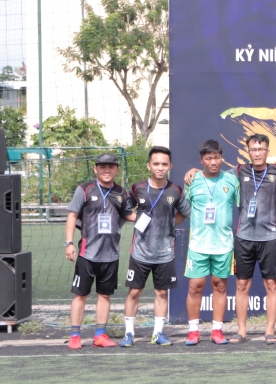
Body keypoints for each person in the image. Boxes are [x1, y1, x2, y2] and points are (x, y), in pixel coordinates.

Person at [187, 134, 276, 343]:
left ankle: (270, 330)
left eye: (261, 149)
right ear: (248, 151)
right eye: (253, 149)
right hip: (244, 238)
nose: (257, 153)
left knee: (272, 285)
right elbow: (213, 173)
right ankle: (241, 331)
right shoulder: (238, 171)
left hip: (269, 237)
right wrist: (195, 170)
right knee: (241, 285)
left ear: (267, 151)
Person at [64, 153, 136, 350]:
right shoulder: (85, 189)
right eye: (102, 166)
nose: (107, 170)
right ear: (95, 169)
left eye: (111, 167)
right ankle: (75, 335)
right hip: (87, 253)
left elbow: (129, 215)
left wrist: (152, 216)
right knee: (81, 295)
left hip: (111, 254)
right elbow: (72, 215)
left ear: (117, 170)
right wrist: (69, 243)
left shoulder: (121, 192)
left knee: (104, 295)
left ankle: (99, 335)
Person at [120, 146, 190, 347]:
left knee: (161, 293)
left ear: (170, 166)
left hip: (165, 253)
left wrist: (169, 224)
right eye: (156, 164)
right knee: (134, 292)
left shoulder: (176, 190)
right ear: (148, 166)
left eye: (164, 164)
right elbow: (125, 210)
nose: (160, 167)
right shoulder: (137, 188)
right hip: (140, 252)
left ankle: (158, 333)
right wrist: (139, 219)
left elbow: (184, 212)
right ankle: (129, 333)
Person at [183, 140, 240, 346]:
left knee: (220, 286)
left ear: (221, 158)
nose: (213, 162)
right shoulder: (192, 179)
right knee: (195, 287)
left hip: (223, 245)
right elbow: (183, 208)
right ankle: (193, 331)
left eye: (217, 157)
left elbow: (242, 206)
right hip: (198, 244)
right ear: (201, 160)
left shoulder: (232, 180)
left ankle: (217, 330)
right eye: (208, 158)